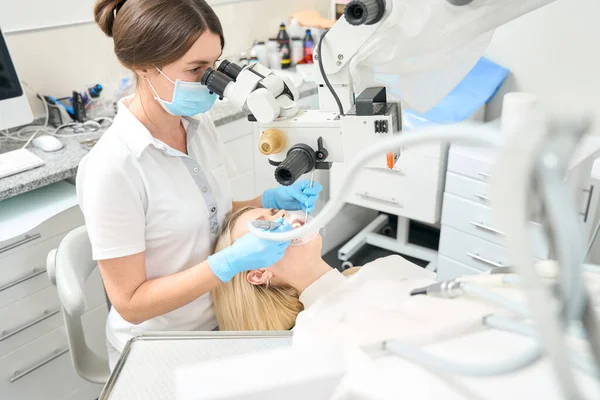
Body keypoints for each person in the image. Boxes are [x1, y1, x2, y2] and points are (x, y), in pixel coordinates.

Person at [78, 0, 322, 369]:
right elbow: (130, 303)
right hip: (158, 345)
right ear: (144, 67)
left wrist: (267, 199)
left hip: (223, 320)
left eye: (216, 66)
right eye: (196, 70)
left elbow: (210, 213)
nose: (213, 84)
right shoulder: (112, 169)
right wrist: (227, 263)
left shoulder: (197, 124)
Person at [212, 206, 359, 331]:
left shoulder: (359, 274)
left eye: (273, 212)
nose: (282, 214)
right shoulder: (317, 333)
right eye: (264, 226)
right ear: (259, 275)